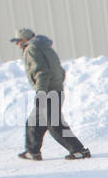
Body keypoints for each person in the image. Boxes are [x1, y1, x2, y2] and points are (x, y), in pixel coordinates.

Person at [11, 27, 92, 161]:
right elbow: (60, 71)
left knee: (55, 125)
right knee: (34, 121)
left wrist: (41, 92)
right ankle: (33, 152)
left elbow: (41, 72)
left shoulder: (31, 49)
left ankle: (79, 151)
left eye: (18, 41)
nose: (17, 44)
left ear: (25, 39)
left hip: (48, 92)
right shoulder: (45, 48)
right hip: (55, 90)